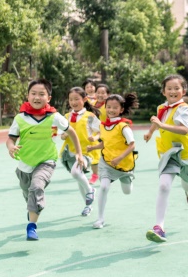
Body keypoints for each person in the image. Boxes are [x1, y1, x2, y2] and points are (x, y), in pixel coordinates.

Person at [6, 79, 86, 241]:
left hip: (47, 161)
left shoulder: (54, 117)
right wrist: (10, 147)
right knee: (27, 191)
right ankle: (33, 207)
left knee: (36, 187)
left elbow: (71, 132)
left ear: (48, 98)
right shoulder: (20, 118)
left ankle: (32, 226)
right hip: (25, 164)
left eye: (41, 94)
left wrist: (79, 153)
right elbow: (11, 139)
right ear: (27, 96)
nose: (37, 97)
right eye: (33, 93)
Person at [144, 74, 188, 243]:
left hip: (186, 152)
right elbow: (158, 120)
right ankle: (159, 227)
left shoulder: (183, 108)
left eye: (176, 88)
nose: (173, 91)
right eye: (169, 88)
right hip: (169, 152)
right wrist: (150, 131)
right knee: (163, 185)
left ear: (183, 91)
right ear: (163, 91)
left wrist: (161, 125)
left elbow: (184, 129)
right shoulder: (161, 107)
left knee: (186, 183)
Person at [86, 93, 139, 228]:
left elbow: (132, 145)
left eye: (115, 107)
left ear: (121, 109)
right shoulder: (103, 126)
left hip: (124, 165)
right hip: (107, 162)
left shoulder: (123, 126)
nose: (111, 110)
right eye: (108, 107)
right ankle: (100, 219)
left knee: (127, 191)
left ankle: (128, 178)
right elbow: (105, 143)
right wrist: (93, 148)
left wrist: (120, 158)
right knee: (103, 187)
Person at [59, 87, 100, 216]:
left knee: (76, 172)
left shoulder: (90, 116)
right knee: (78, 177)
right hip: (70, 152)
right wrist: (64, 135)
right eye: (71, 99)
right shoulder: (66, 116)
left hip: (87, 152)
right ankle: (88, 205)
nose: (73, 102)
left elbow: (100, 132)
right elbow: (62, 135)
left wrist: (95, 137)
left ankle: (90, 190)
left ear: (84, 99)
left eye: (77, 99)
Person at [89, 83, 110, 184]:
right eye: (98, 92)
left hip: (107, 133)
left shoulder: (109, 106)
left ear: (108, 94)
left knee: (106, 155)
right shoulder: (91, 105)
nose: (100, 95)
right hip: (95, 134)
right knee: (94, 155)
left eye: (103, 93)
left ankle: (107, 173)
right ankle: (95, 175)